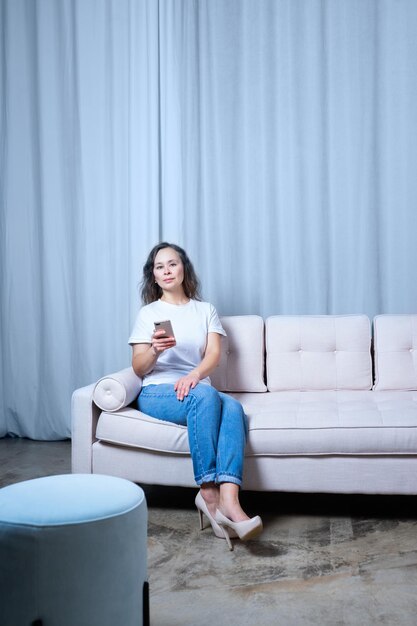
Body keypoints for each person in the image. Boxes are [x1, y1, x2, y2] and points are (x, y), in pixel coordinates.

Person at [129, 242, 263, 550]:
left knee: (232, 406)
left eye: (172, 264)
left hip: (195, 385)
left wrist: (194, 375)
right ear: (154, 275)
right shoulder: (149, 313)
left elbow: (214, 354)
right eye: (159, 266)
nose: (166, 270)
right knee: (206, 397)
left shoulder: (205, 310)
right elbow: (138, 368)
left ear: (183, 269)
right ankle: (208, 493)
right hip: (157, 391)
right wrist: (154, 350)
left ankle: (231, 500)